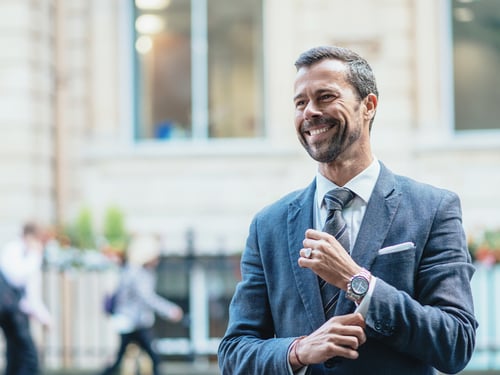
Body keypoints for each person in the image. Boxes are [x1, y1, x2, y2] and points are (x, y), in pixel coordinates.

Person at [217, 45, 478, 375]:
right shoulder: (268, 224)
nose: (310, 111)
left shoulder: (432, 209)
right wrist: (298, 350)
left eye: (325, 96)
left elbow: (456, 343)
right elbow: (233, 353)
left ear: (368, 106)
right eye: (300, 102)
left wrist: (359, 284)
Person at [100, 234, 184, 375]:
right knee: (152, 358)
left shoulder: (134, 271)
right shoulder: (138, 273)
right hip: (133, 322)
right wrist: (170, 310)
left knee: (124, 359)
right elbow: (147, 298)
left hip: (134, 321)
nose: (157, 261)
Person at [0, 222, 52, 375]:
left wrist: (44, 317)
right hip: (11, 311)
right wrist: (35, 257)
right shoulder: (15, 250)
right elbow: (16, 277)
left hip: (14, 311)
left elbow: (32, 295)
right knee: (29, 356)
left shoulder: (26, 254)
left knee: (16, 354)